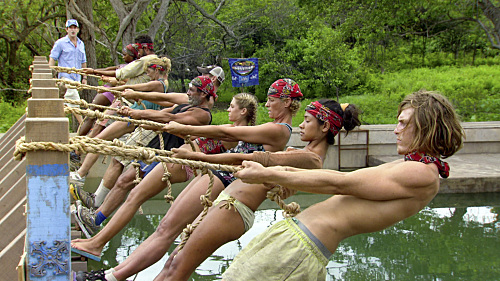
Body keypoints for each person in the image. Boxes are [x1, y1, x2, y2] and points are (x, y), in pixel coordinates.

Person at [74, 78, 304, 281]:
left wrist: (191, 146)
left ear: (286, 102)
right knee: (167, 231)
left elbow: (230, 134)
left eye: (271, 99)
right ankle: (112, 273)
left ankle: (110, 273)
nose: (267, 104)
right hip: (217, 178)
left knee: (167, 231)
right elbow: (226, 130)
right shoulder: (273, 128)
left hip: (223, 182)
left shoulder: (280, 130)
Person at [220, 90, 465, 281]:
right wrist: (274, 172)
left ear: (426, 125)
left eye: (403, 123)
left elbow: (341, 182)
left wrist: (271, 173)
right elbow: (337, 179)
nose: (395, 130)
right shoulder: (415, 167)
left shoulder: (421, 173)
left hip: (297, 249)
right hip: (297, 243)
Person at [153, 99, 361, 280]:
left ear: (324, 127)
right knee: (174, 262)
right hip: (227, 204)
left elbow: (251, 158)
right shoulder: (301, 154)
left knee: (178, 267)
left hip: (233, 210)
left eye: (307, 120)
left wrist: (202, 158)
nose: (300, 124)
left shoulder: (311, 159)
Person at [70, 93, 258, 261]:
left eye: (232, 106)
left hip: (180, 165)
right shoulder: (230, 128)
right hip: (178, 160)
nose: (227, 109)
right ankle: (96, 235)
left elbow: (204, 139)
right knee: (133, 194)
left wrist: (168, 125)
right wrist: (169, 128)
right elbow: (193, 136)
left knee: (135, 197)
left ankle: (97, 242)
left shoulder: (235, 133)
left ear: (243, 111)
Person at [72, 76, 215, 238]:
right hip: (158, 148)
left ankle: (95, 221)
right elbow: (163, 112)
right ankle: (95, 217)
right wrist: (140, 116)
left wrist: (138, 113)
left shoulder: (203, 115)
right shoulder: (186, 104)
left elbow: (172, 119)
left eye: (192, 90)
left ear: (203, 94)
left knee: (131, 190)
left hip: (169, 156)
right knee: (124, 182)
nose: (188, 92)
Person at [70, 56, 172, 193]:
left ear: (156, 70)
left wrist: (121, 88)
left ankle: (80, 175)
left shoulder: (158, 84)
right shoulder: (162, 83)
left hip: (134, 117)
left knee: (99, 140)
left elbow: (137, 87)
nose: (147, 74)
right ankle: (83, 176)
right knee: (108, 148)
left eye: (148, 71)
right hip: (135, 115)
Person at [77, 44, 140, 137]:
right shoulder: (125, 66)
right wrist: (94, 71)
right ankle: (82, 139)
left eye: (125, 55)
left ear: (131, 56)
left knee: (92, 115)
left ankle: (80, 140)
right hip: (113, 92)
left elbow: (125, 81)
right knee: (96, 118)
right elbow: (108, 69)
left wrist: (111, 80)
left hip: (112, 92)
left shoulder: (132, 68)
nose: (123, 57)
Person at [49, 19, 87, 125]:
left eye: (75, 27)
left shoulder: (81, 44)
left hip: (77, 78)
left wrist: (84, 78)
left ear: (78, 29)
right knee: (74, 98)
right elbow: (52, 58)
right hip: (65, 77)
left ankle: (55, 122)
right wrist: (51, 74)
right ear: (66, 29)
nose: (73, 30)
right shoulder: (60, 43)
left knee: (65, 102)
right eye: (70, 27)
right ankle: (83, 125)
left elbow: (83, 62)